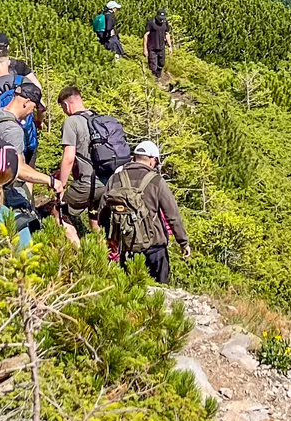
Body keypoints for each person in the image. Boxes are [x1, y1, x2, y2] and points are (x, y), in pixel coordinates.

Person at [100, 139, 189, 283]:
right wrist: (183, 242)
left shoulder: (115, 179)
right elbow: (172, 215)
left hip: (127, 246)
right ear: (153, 160)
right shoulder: (156, 181)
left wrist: (109, 239)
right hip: (155, 248)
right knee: (161, 293)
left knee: (129, 293)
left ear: (134, 158)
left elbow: (103, 213)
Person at [0, 82, 57, 226]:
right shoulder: (13, 130)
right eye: (33, 108)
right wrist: (50, 181)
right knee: (27, 220)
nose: (31, 112)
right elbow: (19, 169)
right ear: (26, 102)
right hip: (1, 189)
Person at [51, 85, 110, 237]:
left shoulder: (72, 122)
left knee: (58, 210)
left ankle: (75, 254)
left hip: (87, 185)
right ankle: (101, 254)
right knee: (94, 216)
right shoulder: (99, 119)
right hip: (107, 183)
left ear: (66, 104)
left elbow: (69, 158)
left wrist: (61, 186)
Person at [145, 10, 171, 79]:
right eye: (160, 18)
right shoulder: (151, 22)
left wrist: (170, 46)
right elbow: (146, 35)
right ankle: (153, 80)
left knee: (161, 63)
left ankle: (158, 76)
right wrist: (145, 49)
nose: (161, 20)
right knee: (153, 65)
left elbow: (167, 34)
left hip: (161, 47)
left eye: (162, 18)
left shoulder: (165, 22)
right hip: (152, 47)